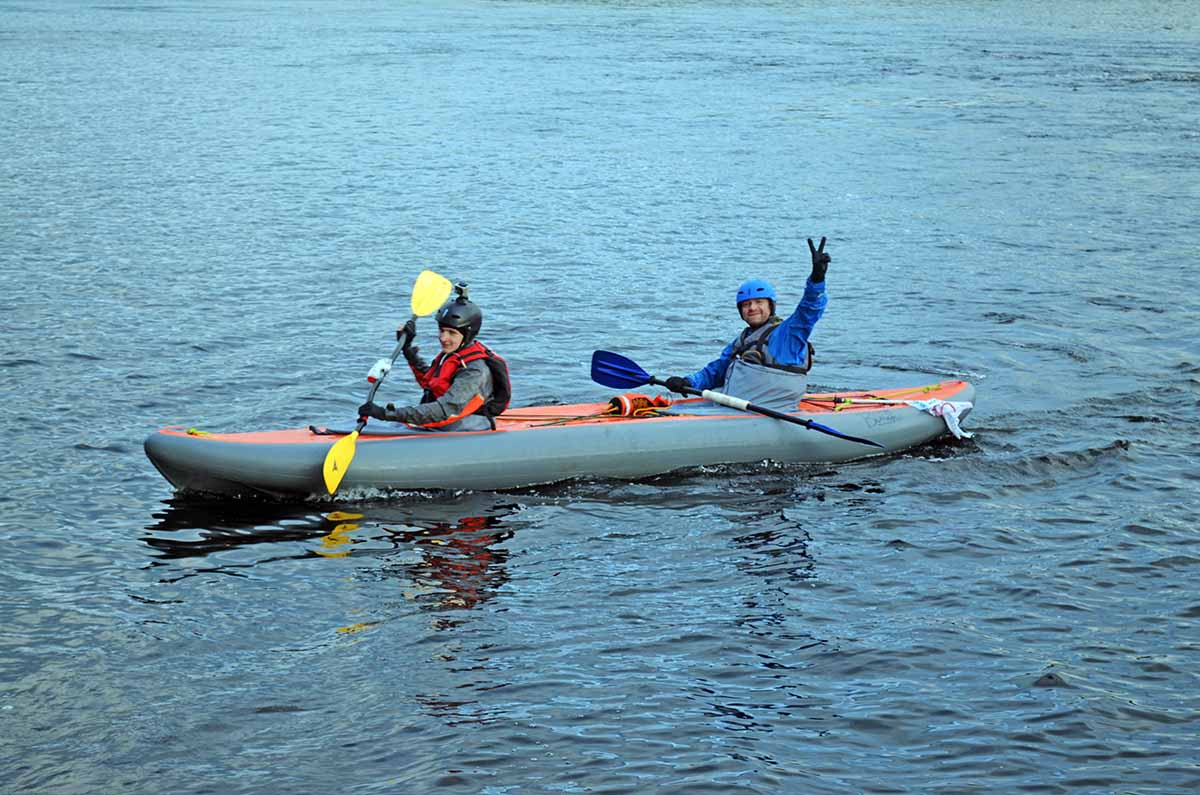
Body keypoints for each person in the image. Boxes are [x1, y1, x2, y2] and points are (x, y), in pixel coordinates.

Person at [663, 237, 831, 410]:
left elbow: (808, 311)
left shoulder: (787, 334)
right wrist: (687, 382)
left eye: (759, 302)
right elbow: (716, 371)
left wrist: (817, 281)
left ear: (770, 306)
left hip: (772, 409)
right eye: (746, 304)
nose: (752, 308)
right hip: (741, 405)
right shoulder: (742, 340)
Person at [358, 284, 511, 432]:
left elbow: (444, 410)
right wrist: (407, 349)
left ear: (468, 334)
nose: (443, 338)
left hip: (464, 431)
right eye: (442, 330)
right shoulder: (453, 354)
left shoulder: (474, 371)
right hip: (441, 427)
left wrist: (387, 414)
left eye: (452, 333)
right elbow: (430, 382)